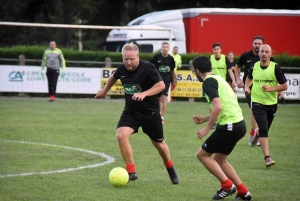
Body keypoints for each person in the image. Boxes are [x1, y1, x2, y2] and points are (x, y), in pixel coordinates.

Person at [95, 43, 179, 184]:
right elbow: (113, 77)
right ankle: (131, 171)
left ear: (138, 57)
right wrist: (104, 91)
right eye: (126, 59)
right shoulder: (122, 69)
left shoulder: (148, 68)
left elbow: (161, 85)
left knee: (159, 145)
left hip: (150, 113)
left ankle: (170, 167)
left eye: (132, 59)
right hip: (131, 111)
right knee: (121, 135)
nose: (128, 62)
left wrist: (144, 94)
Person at [192, 55, 253, 200]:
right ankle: (244, 193)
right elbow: (225, 106)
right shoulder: (219, 79)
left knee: (201, 155)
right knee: (220, 160)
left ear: (198, 71)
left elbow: (218, 107)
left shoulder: (208, 82)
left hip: (229, 126)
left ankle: (227, 186)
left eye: (195, 72)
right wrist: (205, 118)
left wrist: (206, 128)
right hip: (238, 125)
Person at [245, 44, 287, 167]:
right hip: (257, 101)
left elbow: (284, 85)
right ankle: (267, 158)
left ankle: (256, 134)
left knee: (265, 129)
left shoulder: (275, 68)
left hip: (272, 103)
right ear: (259, 54)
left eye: (266, 51)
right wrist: (247, 87)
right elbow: (249, 78)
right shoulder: (254, 66)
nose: (263, 53)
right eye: (262, 51)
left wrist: (271, 89)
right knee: (263, 128)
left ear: (270, 54)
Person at [235, 36, 274, 145]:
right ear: (252, 44)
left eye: (259, 44)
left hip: (263, 88)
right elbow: (237, 67)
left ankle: (253, 134)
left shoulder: (267, 57)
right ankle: (258, 134)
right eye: (255, 43)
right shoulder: (245, 56)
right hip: (249, 88)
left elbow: (274, 70)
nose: (257, 45)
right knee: (254, 109)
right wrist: (238, 80)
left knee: (264, 112)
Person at [210, 43, 236, 129]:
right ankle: (213, 121)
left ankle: (222, 120)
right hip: (212, 84)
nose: (216, 51)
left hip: (222, 85)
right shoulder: (210, 58)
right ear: (212, 50)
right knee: (211, 103)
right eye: (214, 49)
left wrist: (233, 81)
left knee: (223, 103)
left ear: (221, 50)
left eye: (218, 49)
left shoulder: (225, 58)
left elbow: (230, 71)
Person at [151, 42, 176, 124]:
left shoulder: (171, 59)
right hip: (157, 80)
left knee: (164, 97)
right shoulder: (156, 57)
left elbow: (172, 70)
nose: (165, 48)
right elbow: (151, 68)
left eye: (166, 47)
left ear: (168, 49)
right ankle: (157, 115)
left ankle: (162, 116)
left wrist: (174, 80)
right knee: (157, 98)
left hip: (166, 80)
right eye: (163, 47)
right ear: (161, 48)